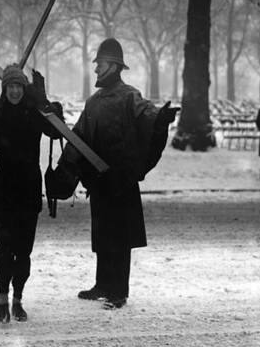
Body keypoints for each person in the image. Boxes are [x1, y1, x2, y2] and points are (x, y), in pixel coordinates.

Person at [56, 38, 179, 310]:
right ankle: (102, 284)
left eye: (99, 63)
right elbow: (79, 136)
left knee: (120, 237)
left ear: (112, 65)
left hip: (121, 178)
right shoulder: (93, 102)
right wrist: (64, 169)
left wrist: (160, 118)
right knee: (102, 233)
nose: (96, 68)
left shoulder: (129, 96)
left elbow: (147, 113)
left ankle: (118, 290)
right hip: (99, 179)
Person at [0, 65, 63, 324]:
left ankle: (18, 299)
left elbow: (56, 131)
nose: (15, 91)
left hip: (29, 189)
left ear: (24, 89)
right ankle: (2, 298)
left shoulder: (35, 113)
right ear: (5, 89)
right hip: (4, 189)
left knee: (24, 249)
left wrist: (42, 98)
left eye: (19, 86)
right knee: (5, 246)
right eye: (10, 87)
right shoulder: (0, 114)